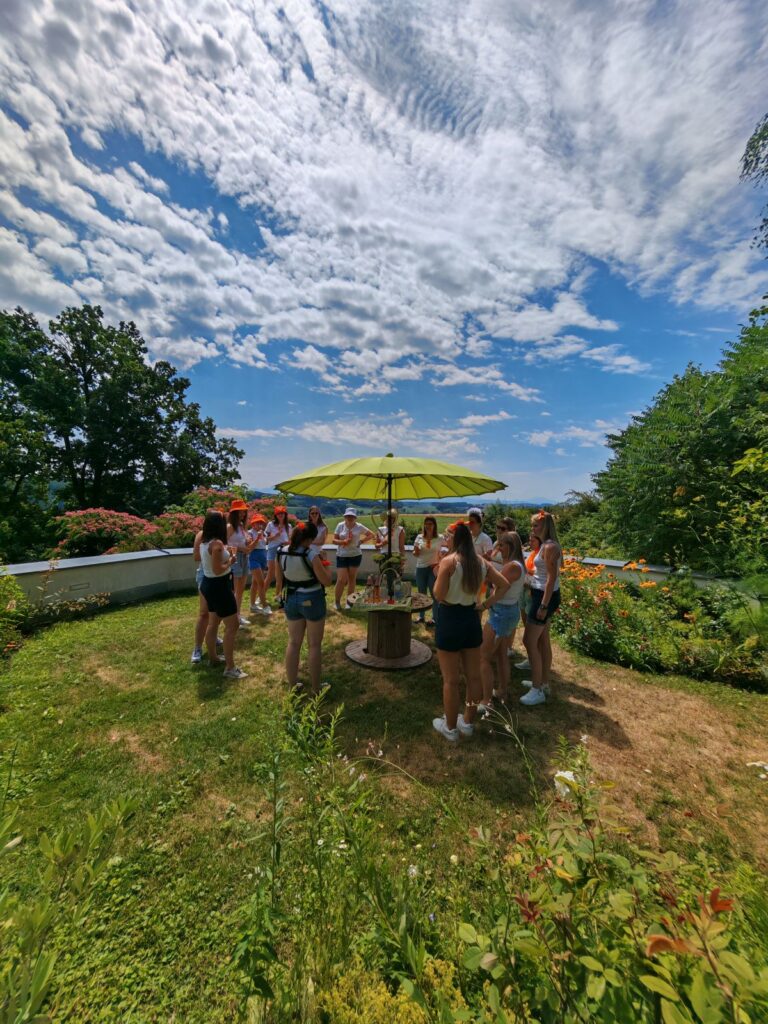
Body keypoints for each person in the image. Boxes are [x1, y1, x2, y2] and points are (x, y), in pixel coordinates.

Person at [432, 521, 510, 742]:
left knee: (451, 680)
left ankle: (450, 728)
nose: (445, 540)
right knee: (473, 676)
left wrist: (440, 571)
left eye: (447, 536)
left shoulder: (449, 562)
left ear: (454, 539)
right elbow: (503, 584)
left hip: (449, 618)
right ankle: (467, 722)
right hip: (471, 618)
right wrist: (485, 605)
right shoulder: (481, 562)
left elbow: (439, 595)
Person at [276, 521, 332, 694]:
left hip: (291, 598)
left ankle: (293, 686)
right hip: (312, 598)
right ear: (309, 539)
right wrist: (324, 561)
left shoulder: (281, 552)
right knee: (314, 645)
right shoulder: (311, 554)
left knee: (293, 642)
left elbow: (280, 580)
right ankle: (316, 688)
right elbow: (327, 581)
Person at [479, 532, 525, 712]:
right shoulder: (514, 565)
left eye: (502, 545)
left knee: (483, 657)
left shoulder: (512, 566)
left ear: (511, 547)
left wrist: (487, 560)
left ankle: (486, 700)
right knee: (500, 655)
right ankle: (502, 692)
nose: (499, 548)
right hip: (506, 612)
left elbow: (492, 580)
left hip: (501, 614)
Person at [198, 510, 247, 679]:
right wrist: (231, 561)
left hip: (208, 585)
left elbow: (210, 567)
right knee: (232, 626)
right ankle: (230, 667)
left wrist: (227, 557)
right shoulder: (217, 544)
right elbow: (218, 569)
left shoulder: (205, 542)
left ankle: (213, 657)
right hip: (220, 587)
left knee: (213, 623)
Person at [520, 511, 562, 706]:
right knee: (543, 640)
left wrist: (543, 605)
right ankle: (543, 683)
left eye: (536, 526)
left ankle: (537, 690)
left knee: (529, 640)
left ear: (545, 527)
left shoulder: (550, 547)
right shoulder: (546, 545)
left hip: (544, 597)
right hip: (541, 594)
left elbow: (551, 578)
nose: (533, 529)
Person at [191, 521, 223, 663]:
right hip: (205, 574)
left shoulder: (221, 538)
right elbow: (196, 557)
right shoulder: (201, 536)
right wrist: (212, 553)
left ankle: (212, 636)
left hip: (220, 576)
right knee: (204, 613)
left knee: (217, 611)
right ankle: (197, 647)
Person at [333, 508, 375, 611]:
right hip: (342, 555)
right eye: (348, 516)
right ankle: (337, 602)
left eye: (352, 516)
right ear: (345, 516)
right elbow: (334, 540)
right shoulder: (340, 525)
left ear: (355, 517)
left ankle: (349, 602)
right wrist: (343, 542)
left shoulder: (359, 526)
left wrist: (361, 541)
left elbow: (371, 534)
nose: (350, 518)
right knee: (341, 579)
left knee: (352, 579)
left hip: (355, 555)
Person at [510, 531, 542, 667]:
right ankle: (530, 660)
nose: (530, 542)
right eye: (529, 539)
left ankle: (534, 661)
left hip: (531, 593)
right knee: (526, 625)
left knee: (531, 633)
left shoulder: (540, 555)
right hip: (525, 591)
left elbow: (535, 574)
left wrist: (525, 572)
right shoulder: (533, 554)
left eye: (533, 540)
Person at [227, 499, 254, 626]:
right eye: (240, 512)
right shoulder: (230, 527)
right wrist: (240, 548)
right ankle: (232, 617)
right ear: (234, 512)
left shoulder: (241, 526)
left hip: (244, 557)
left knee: (241, 590)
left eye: (244, 512)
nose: (243, 514)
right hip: (235, 557)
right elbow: (223, 544)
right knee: (234, 590)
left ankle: (237, 615)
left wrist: (248, 542)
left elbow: (243, 542)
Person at [412, 515, 439, 625]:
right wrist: (416, 551)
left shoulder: (440, 538)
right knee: (421, 593)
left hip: (433, 569)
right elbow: (415, 553)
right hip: (421, 568)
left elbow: (449, 548)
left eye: (430, 524)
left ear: (434, 526)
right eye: (426, 524)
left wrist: (440, 562)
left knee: (434, 594)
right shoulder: (419, 537)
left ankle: (434, 618)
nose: (428, 526)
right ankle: (421, 616)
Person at [264, 505, 290, 608]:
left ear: (285, 514)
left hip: (283, 550)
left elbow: (290, 540)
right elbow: (266, 539)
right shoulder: (270, 524)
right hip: (272, 549)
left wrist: (286, 542)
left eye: (282, 513)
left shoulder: (288, 526)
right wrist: (276, 535)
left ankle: (278, 595)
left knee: (280, 575)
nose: (281, 515)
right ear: (276, 515)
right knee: (270, 574)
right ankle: (261, 596)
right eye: (279, 513)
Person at [247, 514, 270, 615]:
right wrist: (257, 538)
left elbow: (265, 545)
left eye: (261, 523)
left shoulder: (263, 533)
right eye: (257, 523)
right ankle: (265, 606)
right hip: (254, 558)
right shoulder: (250, 533)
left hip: (262, 558)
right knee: (261, 583)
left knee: (255, 583)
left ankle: (252, 605)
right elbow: (250, 548)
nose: (260, 525)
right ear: (253, 524)